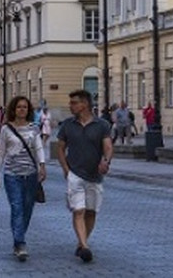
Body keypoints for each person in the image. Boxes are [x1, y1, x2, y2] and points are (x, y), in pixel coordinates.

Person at [56, 89, 113, 264]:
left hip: (94, 176)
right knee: (78, 210)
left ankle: (82, 243)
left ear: (85, 104)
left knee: (91, 212)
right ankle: (85, 246)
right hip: (75, 174)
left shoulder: (102, 125)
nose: (70, 106)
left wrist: (105, 160)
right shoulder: (67, 125)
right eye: (71, 102)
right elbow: (60, 148)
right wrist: (65, 168)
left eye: (74, 103)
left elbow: (108, 146)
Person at [0, 95, 46, 261]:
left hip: (30, 174)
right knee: (17, 207)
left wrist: (42, 166)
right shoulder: (6, 129)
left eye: (24, 107)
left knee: (28, 208)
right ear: (13, 110)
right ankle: (20, 243)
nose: (22, 110)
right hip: (12, 174)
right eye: (19, 107)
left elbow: (38, 148)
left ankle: (18, 239)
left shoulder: (34, 128)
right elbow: (1, 151)